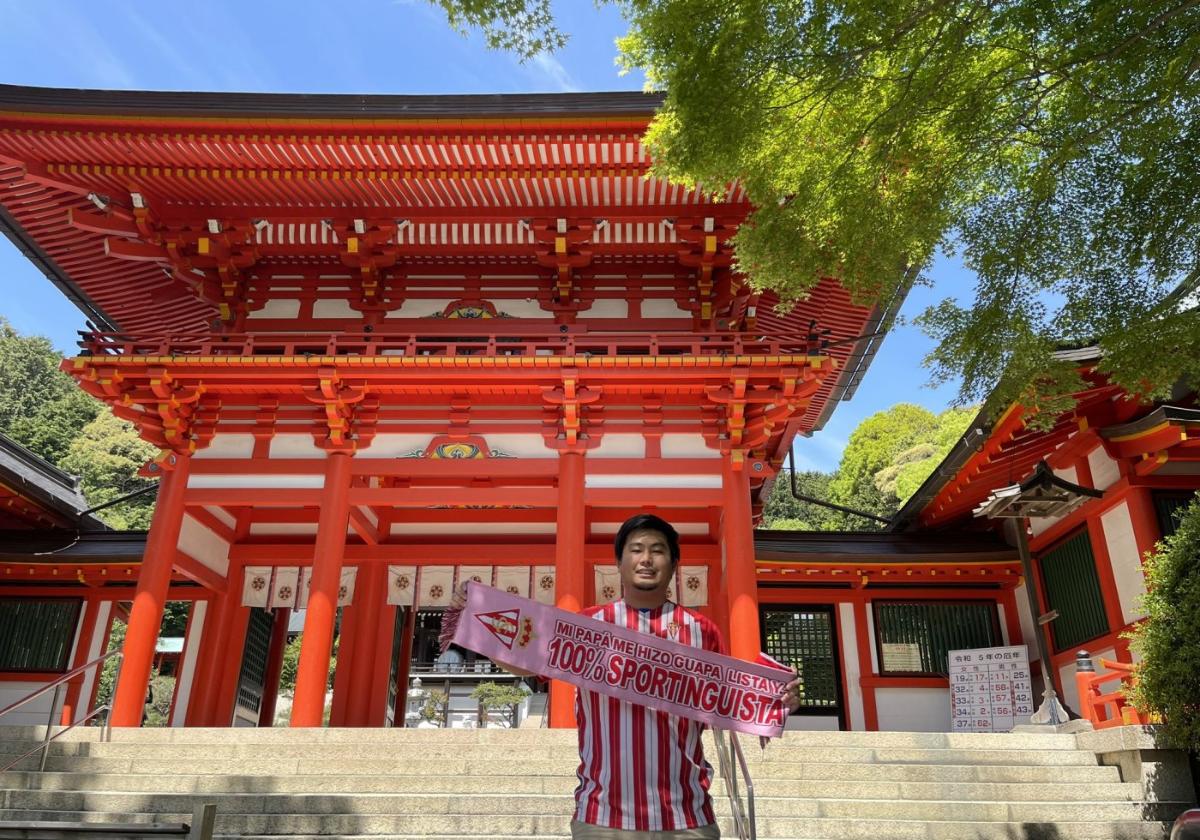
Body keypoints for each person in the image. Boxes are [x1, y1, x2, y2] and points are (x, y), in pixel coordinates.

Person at [463, 513, 802, 839]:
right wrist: (475, 622)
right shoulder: (588, 626)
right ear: (619, 563)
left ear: (673, 564)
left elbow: (729, 698)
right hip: (602, 818)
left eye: (658, 551)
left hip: (687, 817)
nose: (646, 559)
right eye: (636, 550)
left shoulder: (702, 631)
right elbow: (529, 659)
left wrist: (774, 701)